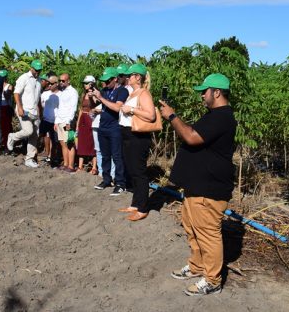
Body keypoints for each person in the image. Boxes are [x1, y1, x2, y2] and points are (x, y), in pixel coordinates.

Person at [159, 73, 237, 296]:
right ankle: (197, 266)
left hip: (210, 189)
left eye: (205, 91)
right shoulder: (213, 115)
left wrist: (172, 116)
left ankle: (212, 280)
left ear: (217, 92)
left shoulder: (222, 117)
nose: (202, 95)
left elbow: (192, 137)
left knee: (208, 234)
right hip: (197, 186)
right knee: (193, 229)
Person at [116, 63, 156, 221]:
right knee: (132, 170)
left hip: (137, 137)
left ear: (137, 77)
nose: (127, 77)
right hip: (127, 134)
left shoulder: (144, 94)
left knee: (139, 172)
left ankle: (143, 208)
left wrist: (131, 110)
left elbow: (151, 115)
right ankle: (135, 203)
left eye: (129, 75)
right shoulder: (132, 93)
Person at [91, 67, 129, 195]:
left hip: (115, 128)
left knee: (117, 156)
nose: (105, 84)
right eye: (104, 81)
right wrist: (93, 97)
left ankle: (120, 183)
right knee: (105, 155)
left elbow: (117, 108)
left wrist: (101, 98)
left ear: (115, 79)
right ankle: (106, 179)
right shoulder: (105, 90)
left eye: (107, 81)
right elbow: (98, 104)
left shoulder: (122, 91)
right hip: (103, 126)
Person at [7, 59, 43, 168]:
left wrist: (40, 112)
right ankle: (13, 137)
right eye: (36, 70)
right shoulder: (24, 78)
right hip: (24, 110)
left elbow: (37, 98)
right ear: (31, 68)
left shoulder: (39, 80)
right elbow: (16, 93)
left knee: (34, 135)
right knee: (28, 131)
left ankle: (29, 159)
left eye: (39, 70)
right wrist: (20, 107)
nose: (37, 72)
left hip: (34, 111)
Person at [54, 73, 78, 172]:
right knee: (63, 144)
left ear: (68, 81)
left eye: (63, 81)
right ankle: (65, 164)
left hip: (66, 121)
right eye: (60, 81)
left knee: (69, 143)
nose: (61, 82)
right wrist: (56, 122)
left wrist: (69, 122)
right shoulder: (61, 92)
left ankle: (71, 166)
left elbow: (73, 108)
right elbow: (59, 108)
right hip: (60, 120)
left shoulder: (73, 92)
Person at [75, 75, 98, 172]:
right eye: (84, 83)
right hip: (83, 120)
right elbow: (81, 109)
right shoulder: (83, 95)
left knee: (92, 143)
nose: (85, 85)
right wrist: (77, 124)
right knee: (82, 143)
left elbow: (96, 105)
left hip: (91, 119)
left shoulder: (96, 94)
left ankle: (94, 167)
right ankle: (80, 166)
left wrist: (92, 95)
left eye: (86, 83)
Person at [39, 75, 59, 163]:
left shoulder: (61, 95)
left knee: (55, 141)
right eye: (49, 84)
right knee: (40, 136)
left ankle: (53, 158)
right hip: (45, 119)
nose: (49, 85)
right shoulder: (44, 94)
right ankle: (37, 156)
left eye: (51, 84)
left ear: (56, 84)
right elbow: (40, 105)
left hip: (55, 121)